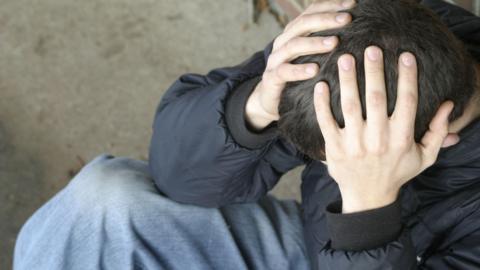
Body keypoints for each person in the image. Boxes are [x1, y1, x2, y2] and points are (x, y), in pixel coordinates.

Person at [13, 0, 480, 269]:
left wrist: (367, 212)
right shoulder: (375, 46)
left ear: (430, 137)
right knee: (101, 205)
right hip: (315, 250)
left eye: (335, 160)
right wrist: (254, 107)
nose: (327, 171)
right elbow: (177, 178)